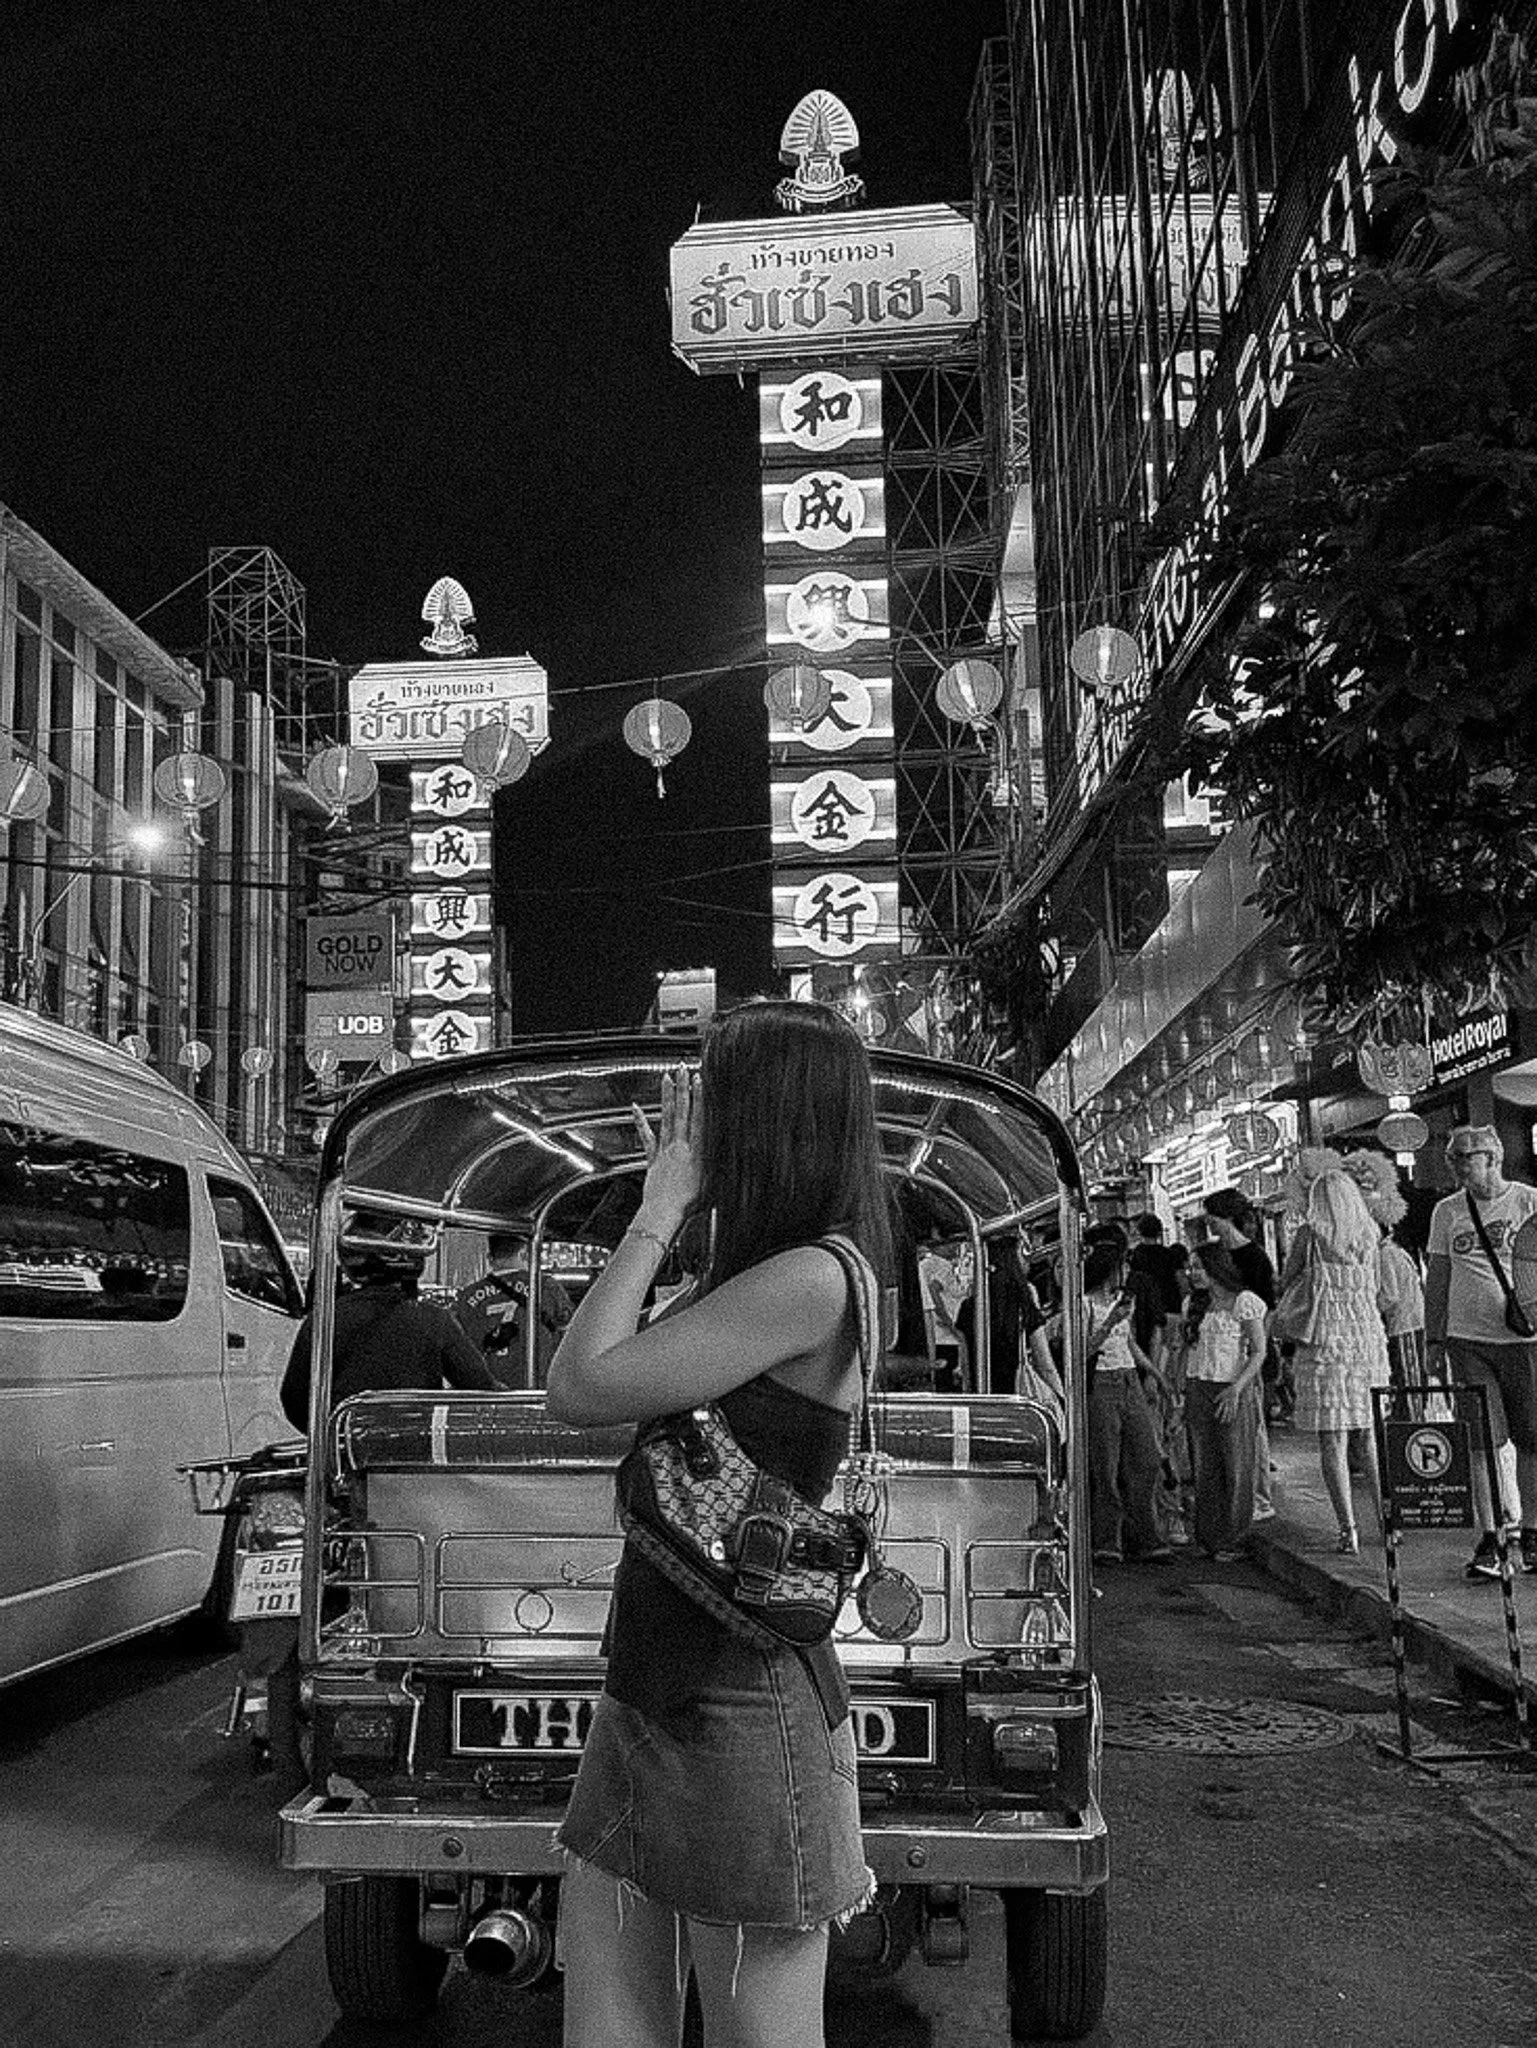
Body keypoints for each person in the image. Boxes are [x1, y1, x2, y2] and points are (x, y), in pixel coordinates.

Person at [545, 1001, 891, 2048]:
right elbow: (603, 1366)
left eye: (710, 1102)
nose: (687, 1128)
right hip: (654, 1686)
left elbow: (580, 1385)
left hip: (744, 1708)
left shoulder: (813, 1278)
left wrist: (658, 1208)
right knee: (609, 2025)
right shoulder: (751, 1276)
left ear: (767, 1121)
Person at [1424, 1125, 1537, 1580]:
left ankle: (1532, 1531)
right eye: (1452, 1158)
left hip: (1525, 1341)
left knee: (1532, 1439)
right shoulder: (1447, 1211)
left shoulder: (1528, 1202)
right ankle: (1491, 1535)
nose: (1456, 1165)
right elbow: (1438, 1278)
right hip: (1467, 1340)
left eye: (1464, 1157)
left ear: (1493, 1157)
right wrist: (1433, 1340)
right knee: (1482, 1441)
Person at [1277, 1151, 1390, 1555]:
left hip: (1324, 1344)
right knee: (1370, 1438)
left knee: (1333, 1442)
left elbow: (1287, 1281)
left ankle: (1348, 1529)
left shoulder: (1310, 1236)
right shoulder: (1370, 1234)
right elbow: (1378, 1289)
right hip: (1366, 1342)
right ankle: (1387, 1521)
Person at [280, 1222, 499, 1430]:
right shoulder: (435, 1319)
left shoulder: (325, 1318)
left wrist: (335, 1436)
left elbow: (294, 1398)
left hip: (345, 1448)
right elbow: (481, 1389)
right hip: (418, 1448)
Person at [1083, 1242, 1170, 1564]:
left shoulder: (1124, 1302)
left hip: (1129, 1377)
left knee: (1146, 1457)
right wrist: (1109, 1322)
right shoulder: (1084, 1304)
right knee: (1105, 1464)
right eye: (1122, 1266)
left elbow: (1130, 1343)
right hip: (1101, 1382)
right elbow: (1081, 1350)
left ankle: (1145, 1534)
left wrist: (1155, 1374)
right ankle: (1108, 1540)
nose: (1127, 1272)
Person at [1181, 1241, 1267, 1559]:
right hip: (1198, 1387)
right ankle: (1209, 1537)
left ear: (1216, 1268)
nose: (1192, 1273)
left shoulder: (1245, 1302)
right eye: (1190, 1267)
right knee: (1204, 1464)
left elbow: (1258, 1351)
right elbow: (1187, 1350)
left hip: (1232, 1388)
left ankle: (1234, 1537)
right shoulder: (1193, 1303)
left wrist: (1236, 1388)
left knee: (1237, 1463)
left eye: (1198, 1267)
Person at [1203, 1187, 1281, 1521]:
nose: (1208, 1221)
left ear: (1225, 1216)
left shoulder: (1255, 1257)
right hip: (1221, 1357)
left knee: (1254, 1430)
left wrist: (1257, 1344)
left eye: (1211, 1215)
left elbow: (1268, 1308)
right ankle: (1236, 1497)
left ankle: (1260, 1498)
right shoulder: (1218, 1253)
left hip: (1251, 1354)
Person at [1342, 1149, 1426, 1391]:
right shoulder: (1393, 1251)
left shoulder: (1386, 1254)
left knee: (1409, 1385)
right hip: (1408, 1324)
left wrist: (1365, 1312)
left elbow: (1389, 1295)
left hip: (1404, 1326)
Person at [455, 1232, 573, 1384]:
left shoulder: (467, 1296)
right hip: (535, 1386)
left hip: (485, 1389)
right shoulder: (546, 1286)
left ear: (489, 1258)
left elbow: (457, 1347)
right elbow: (570, 1332)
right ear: (524, 1254)